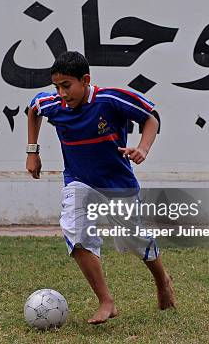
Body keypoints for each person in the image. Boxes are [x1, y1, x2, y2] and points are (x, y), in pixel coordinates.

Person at [26, 51, 175, 324]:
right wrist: (32, 151)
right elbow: (33, 109)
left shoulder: (110, 99)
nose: (61, 93)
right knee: (75, 231)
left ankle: (162, 279)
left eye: (66, 86)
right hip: (78, 181)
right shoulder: (53, 103)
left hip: (118, 184)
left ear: (85, 80)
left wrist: (142, 148)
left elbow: (151, 117)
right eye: (56, 86)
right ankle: (106, 301)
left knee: (132, 240)